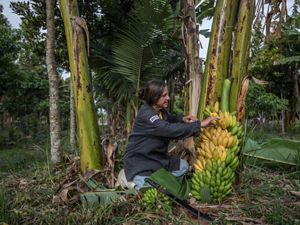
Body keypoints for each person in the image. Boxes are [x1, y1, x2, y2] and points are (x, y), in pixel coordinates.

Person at [124, 80, 218, 190]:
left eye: (167, 94)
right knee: (149, 189)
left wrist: (182, 119)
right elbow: (167, 129)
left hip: (157, 159)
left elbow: (169, 119)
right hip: (141, 163)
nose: (168, 98)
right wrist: (199, 124)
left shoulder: (160, 111)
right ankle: (134, 182)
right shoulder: (147, 114)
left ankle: (161, 183)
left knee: (183, 166)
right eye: (164, 95)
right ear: (154, 98)